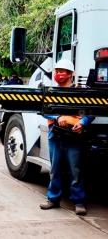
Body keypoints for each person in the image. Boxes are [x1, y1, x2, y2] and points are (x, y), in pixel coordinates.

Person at [40, 59, 94, 216]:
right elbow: (44, 110)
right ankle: (53, 199)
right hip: (56, 135)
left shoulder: (80, 91)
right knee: (55, 169)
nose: (58, 74)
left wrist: (83, 123)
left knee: (76, 170)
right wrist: (57, 117)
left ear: (71, 74)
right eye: (57, 71)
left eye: (62, 71)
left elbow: (89, 111)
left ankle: (79, 201)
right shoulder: (51, 91)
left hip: (73, 135)